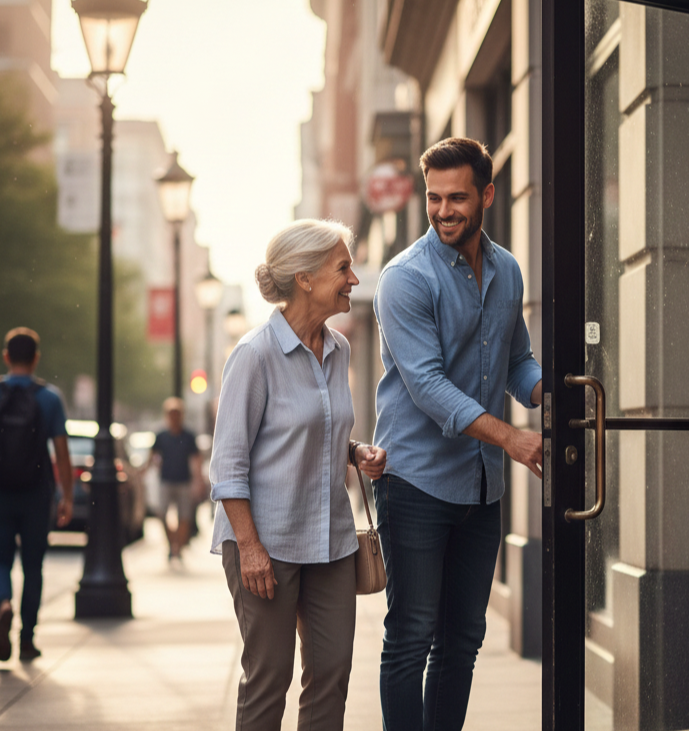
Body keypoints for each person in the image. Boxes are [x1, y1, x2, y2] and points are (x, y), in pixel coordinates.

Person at [372, 137, 543, 730]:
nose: (443, 210)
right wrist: (513, 439)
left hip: (481, 488)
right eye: (434, 198)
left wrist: (548, 392)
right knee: (412, 637)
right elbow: (429, 386)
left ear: (487, 195)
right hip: (415, 483)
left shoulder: (507, 270)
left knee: (464, 637)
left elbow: (517, 360)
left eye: (457, 198)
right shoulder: (405, 279)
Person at [210, 219, 387, 730]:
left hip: (330, 542)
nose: (353, 278)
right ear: (305, 279)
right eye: (343, 268)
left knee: (331, 673)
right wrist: (248, 547)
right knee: (269, 678)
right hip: (264, 544)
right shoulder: (254, 356)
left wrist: (355, 452)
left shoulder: (339, 350)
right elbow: (229, 464)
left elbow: (316, 427)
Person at [0, 328, 73, 662]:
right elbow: (61, 452)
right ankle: (27, 639)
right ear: (36, 358)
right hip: (35, 494)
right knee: (33, 566)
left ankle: (2, 603)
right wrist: (66, 495)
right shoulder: (49, 398)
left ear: (6, 356)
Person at [145, 398, 203, 561]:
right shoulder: (161, 436)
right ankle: (172, 542)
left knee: (185, 516)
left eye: (177, 413)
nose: (174, 417)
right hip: (166, 481)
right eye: (171, 413)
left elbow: (196, 459)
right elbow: (152, 456)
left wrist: (198, 481)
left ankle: (178, 546)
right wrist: (145, 471)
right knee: (161, 513)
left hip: (184, 481)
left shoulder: (189, 436)